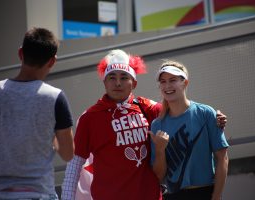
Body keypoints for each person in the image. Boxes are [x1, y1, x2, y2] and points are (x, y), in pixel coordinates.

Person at [61, 49, 227, 200]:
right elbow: (74, 166)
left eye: (124, 77)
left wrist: (216, 117)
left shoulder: (148, 107)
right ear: (104, 82)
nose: (118, 83)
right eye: (112, 77)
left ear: (134, 83)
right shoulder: (89, 117)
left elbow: (182, 112)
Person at [0, 27, 75, 200]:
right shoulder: (55, 98)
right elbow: (68, 154)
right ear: (52, 61)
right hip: (39, 194)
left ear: (20, 53)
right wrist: (49, 133)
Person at [150, 60, 229, 200]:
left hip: (205, 192)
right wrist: (160, 150)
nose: (167, 86)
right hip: (173, 195)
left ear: (185, 82)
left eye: (172, 80)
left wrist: (216, 196)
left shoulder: (206, 113)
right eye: (163, 81)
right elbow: (158, 175)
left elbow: (222, 157)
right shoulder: (157, 125)